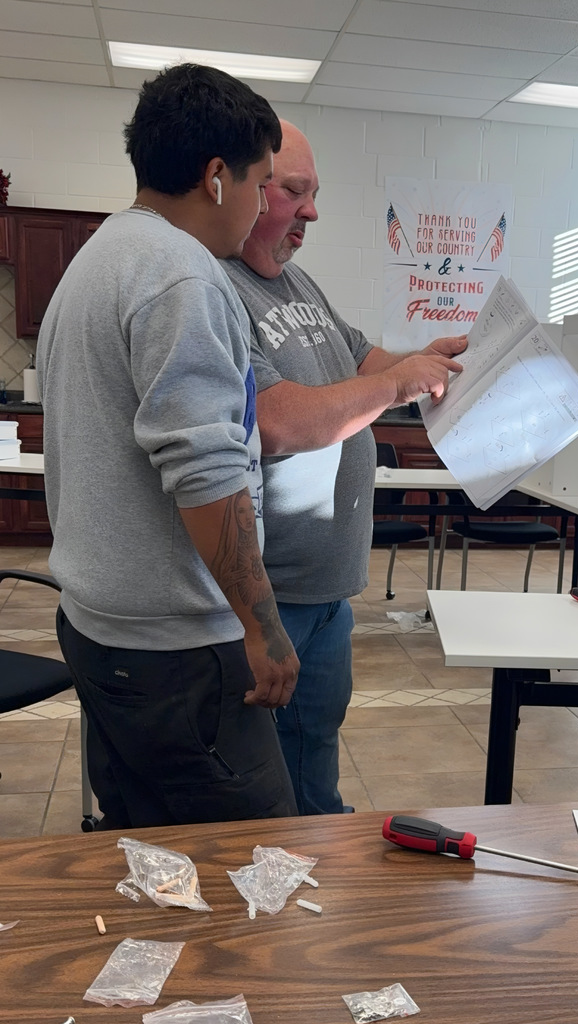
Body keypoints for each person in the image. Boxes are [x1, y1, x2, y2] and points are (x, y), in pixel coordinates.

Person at [36, 64, 300, 829]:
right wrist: (262, 627)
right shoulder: (183, 275)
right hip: (181, 655)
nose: (260, 207)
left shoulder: (99, 257)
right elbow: (206, 471)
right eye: (260, 183)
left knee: (147, 856)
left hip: (102, 629)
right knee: (249, 867)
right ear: (217, 178)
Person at [222, 121, 465, 815]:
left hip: (328, 594)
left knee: (314, 749)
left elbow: (360, 360)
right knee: (262, 770)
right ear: (246, 187)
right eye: (295, 192)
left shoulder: (295, 282)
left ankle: (315, 850)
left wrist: (427, 360)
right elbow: (280, 422)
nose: (312, 212)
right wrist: (398, 386)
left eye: (315, 194)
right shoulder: (216, 288)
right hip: (275, 595)